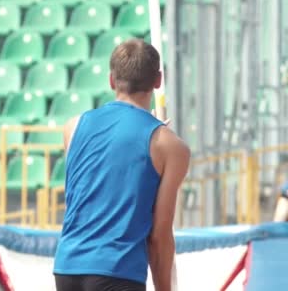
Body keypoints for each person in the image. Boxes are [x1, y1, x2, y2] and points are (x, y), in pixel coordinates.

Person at [53, 39, 191, 291]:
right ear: (158, 81)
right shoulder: (172, 148)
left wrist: (153, 131)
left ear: (112, 80)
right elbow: (159, 235)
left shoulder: (73, 127)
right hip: (117, 272)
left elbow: (107, 172)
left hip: (67, 268)